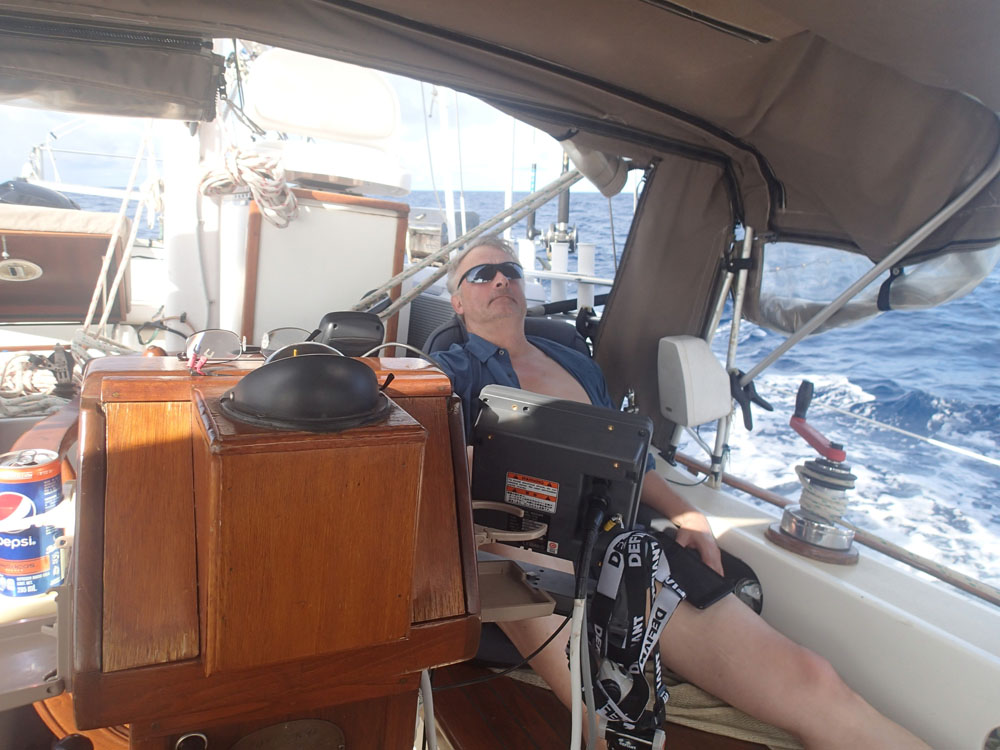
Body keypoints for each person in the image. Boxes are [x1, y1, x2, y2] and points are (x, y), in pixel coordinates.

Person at [431, 236, 930, 750]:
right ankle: (599, 726)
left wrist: (688, 514)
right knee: (508, 546)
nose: (501, 279)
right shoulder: (449, 371)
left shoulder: (576, 363)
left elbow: (631, 461)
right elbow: (434, 466)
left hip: (623, 549)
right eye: (481, 274)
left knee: (812, 680)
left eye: (510, 270)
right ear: (458, 302)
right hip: (523, 549)